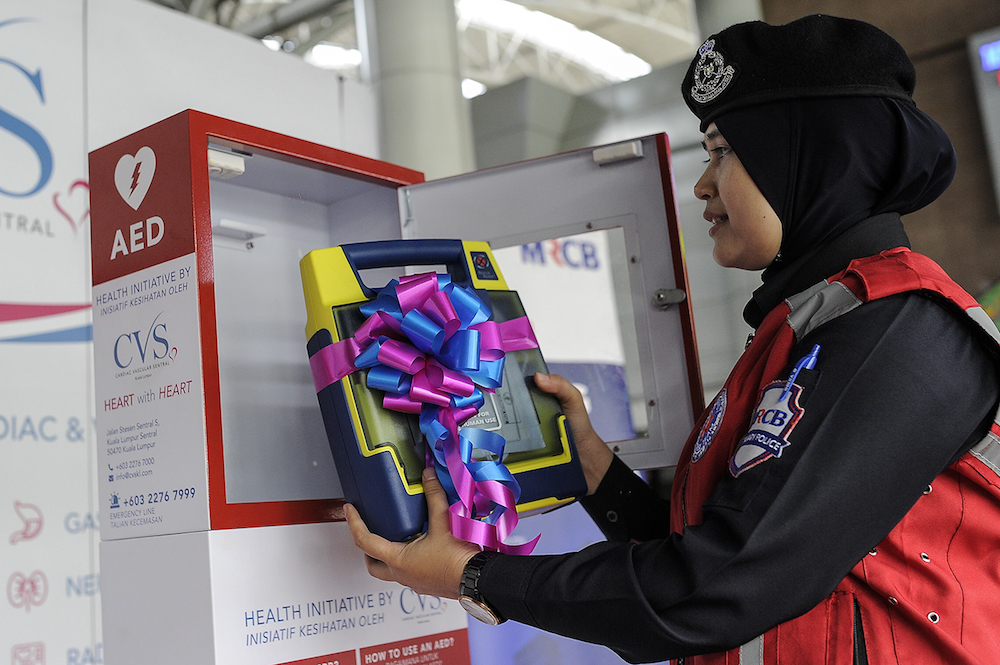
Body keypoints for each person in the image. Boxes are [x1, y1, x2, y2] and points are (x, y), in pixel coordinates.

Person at [346, 14, 1000, 665]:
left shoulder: (901, 328)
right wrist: (594, 466)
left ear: (804, 156)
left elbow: (715, 587)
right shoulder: (811, 326)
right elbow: (710, 546)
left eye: (723, 150)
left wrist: (474, 574)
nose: (703, 183)